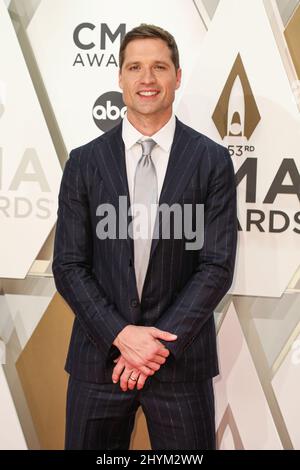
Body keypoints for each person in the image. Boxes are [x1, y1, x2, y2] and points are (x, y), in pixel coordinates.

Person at [52, 23, 237, 450]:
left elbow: (216, 266)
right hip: (99, 361)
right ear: (120, 77)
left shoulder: (211, 162)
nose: (147, 79)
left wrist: (154, 346)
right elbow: (69, 265)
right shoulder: (84, 162)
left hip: (179, 364)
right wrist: (122, 334)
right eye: (135, 67)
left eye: (159, 67)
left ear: (177, 75)